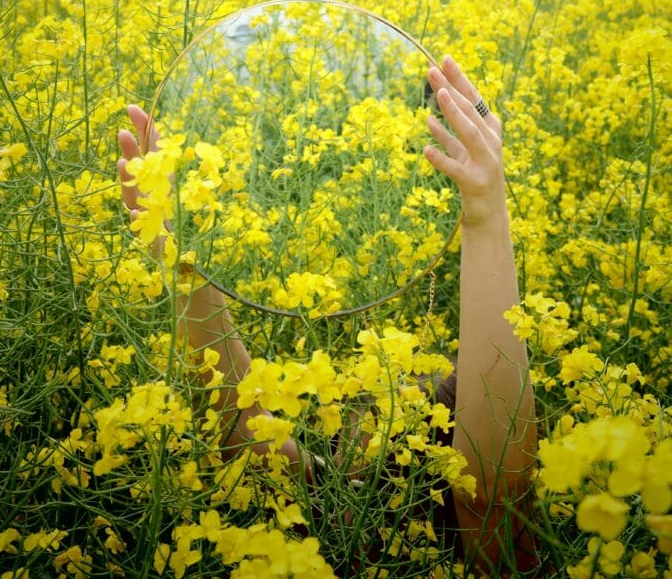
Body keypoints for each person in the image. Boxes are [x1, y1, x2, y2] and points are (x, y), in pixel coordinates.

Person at [118, 55, 537, 573]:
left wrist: (486, 213)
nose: (367, 392)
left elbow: (493, 486)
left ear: (432, 455)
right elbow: (246, 433)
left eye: (401, 401)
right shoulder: (338, 507)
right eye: (361, 408)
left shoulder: (490, 548)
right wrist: (183, 260)